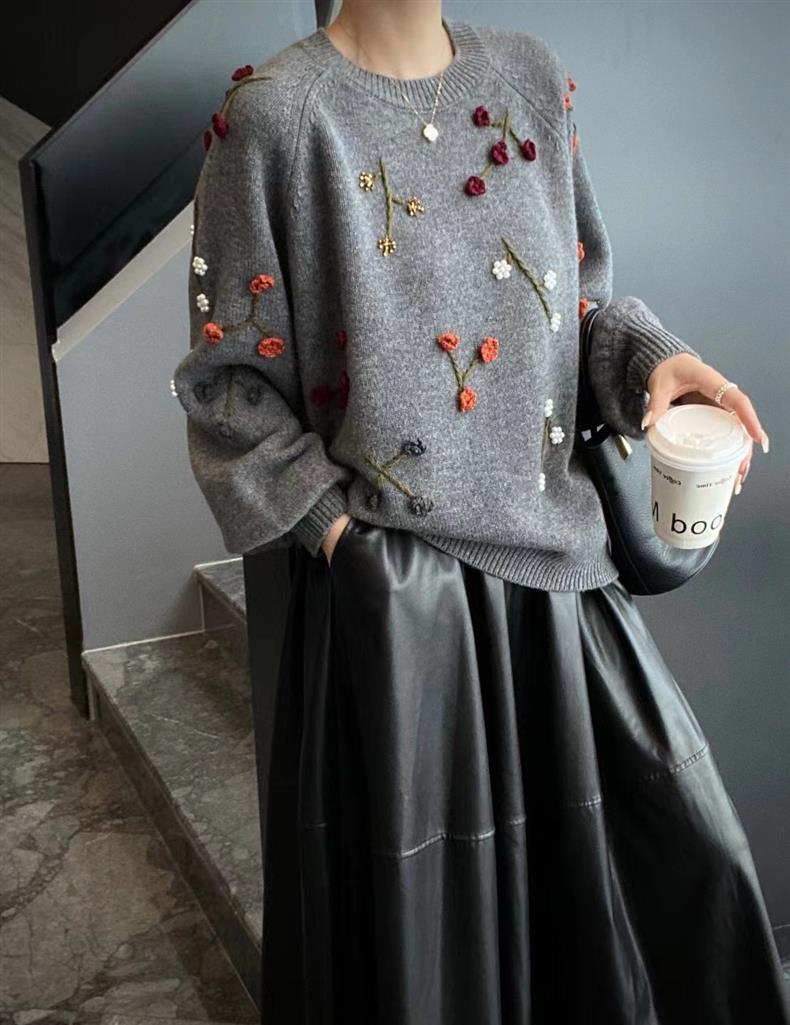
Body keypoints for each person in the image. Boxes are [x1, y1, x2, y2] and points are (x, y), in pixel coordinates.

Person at [171, 2, 789, 1021]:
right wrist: (342, 535)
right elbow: (227, 387)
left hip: (558, 586)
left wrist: (649, 360)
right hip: (402, 619)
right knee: (443, 965)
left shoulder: (527, 76)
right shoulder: (276, 118)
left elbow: (572, 308)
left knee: (676, 894)